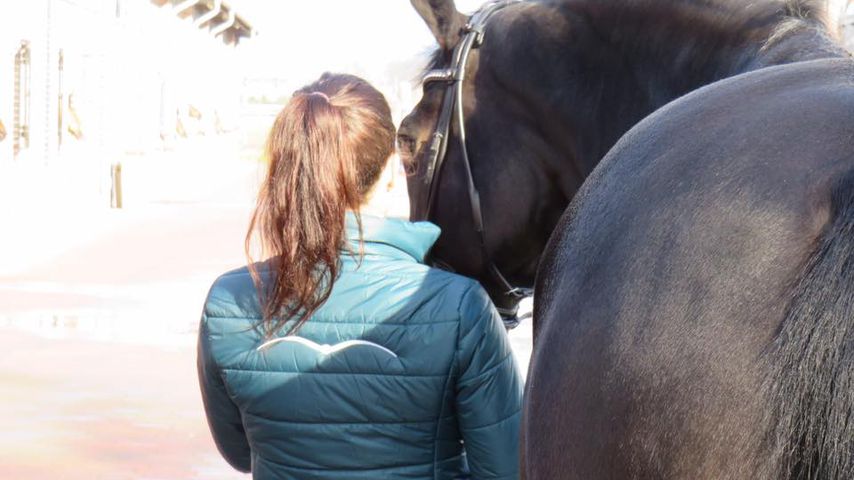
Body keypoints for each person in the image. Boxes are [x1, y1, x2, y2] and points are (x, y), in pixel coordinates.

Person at [197, 73, 523, 480]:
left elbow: (241, 453)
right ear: (391, 170)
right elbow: (508, 466)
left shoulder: (228, 302)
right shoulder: (458, 308)